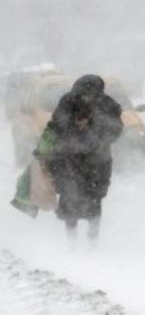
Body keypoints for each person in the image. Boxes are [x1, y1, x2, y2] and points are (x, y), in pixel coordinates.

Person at [40, 74, 123, 239]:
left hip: (97, 162)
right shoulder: (67, 102)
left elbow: (115, 129)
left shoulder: (108, 104)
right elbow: (57, 124)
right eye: (83, 94)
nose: (87, 98)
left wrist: (92, 125)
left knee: (94, 200)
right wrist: (74, 125)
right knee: (69, 198)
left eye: (91, 94)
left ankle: (93, 240)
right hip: (69, 159)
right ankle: (72, 241)